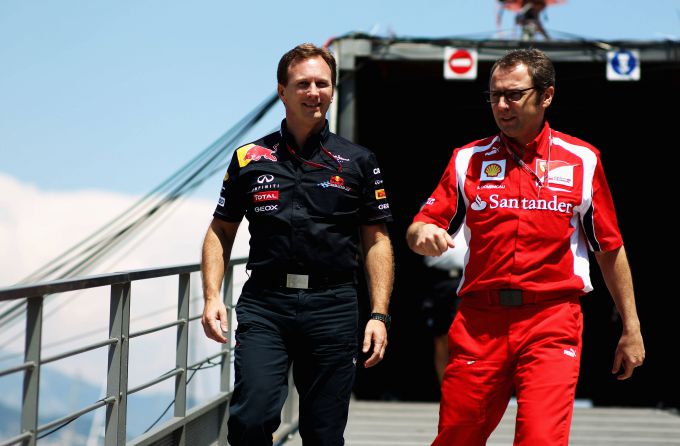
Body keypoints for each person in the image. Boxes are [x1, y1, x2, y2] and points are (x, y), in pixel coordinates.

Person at [406, 48, 644, 445]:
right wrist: (421, 236)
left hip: (551, 320)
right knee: (457, 437)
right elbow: (421, 225)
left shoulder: (583, 159)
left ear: (546, 95)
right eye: (494, 95)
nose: (502, 105)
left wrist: (631, 328)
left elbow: (609, 248)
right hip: (480, 321)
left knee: (541, 438)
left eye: (513, 94)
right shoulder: (467, 159)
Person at [200, 43, 394, 445]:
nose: (313, 92)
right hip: (266, 304)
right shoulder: (249, 158)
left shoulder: (359, 161)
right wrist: (211, 296)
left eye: (322, 84)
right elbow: (221, 230)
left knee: (324, 434)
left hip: (333, 306)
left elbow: (377, 240)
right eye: (303, 84)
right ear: (282, 92)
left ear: (333, 90)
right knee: (251, 418)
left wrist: (379, 314)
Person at [421, 233, 466, 384]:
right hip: (439, 278)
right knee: (441, 337)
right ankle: (447, 390)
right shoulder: (431, 214)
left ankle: (469, 390)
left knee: (466, 338)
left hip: (469, 277)